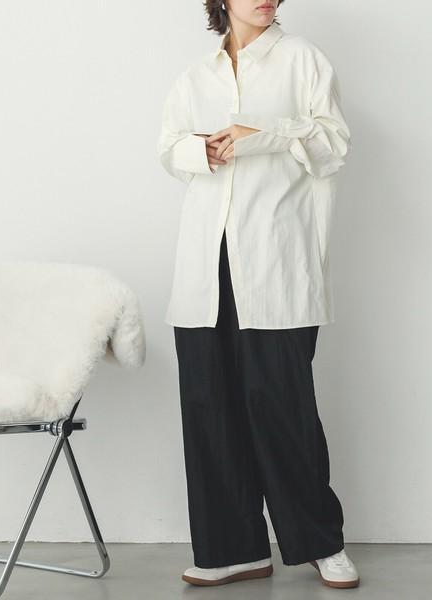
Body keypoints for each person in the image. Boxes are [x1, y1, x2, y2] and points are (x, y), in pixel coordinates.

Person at [156, 0, 357, 589]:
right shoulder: (196, 76)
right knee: (209, 408)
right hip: (204, 265)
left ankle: (321, 543)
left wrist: (261, 136)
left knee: (283, 408)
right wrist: (201, 150)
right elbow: (169, 148)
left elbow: (334, 143)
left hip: (276, 261)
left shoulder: (303, 60)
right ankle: (233, 549)